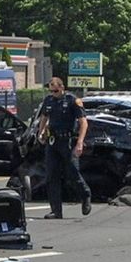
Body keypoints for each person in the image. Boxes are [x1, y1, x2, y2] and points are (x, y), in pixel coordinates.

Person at [36, 76, 91, 219]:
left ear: (61, 87)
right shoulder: (48, 101)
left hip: (68, 141)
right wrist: (41, 133)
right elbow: (44, 117)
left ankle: (85, 194)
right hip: (53, 141)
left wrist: (80, 142)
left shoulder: (73, 101)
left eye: (55, 90)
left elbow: (83, 123)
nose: (53, 93)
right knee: (51, 176)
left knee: (72, 172)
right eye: (51, 90)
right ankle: (56, 210)